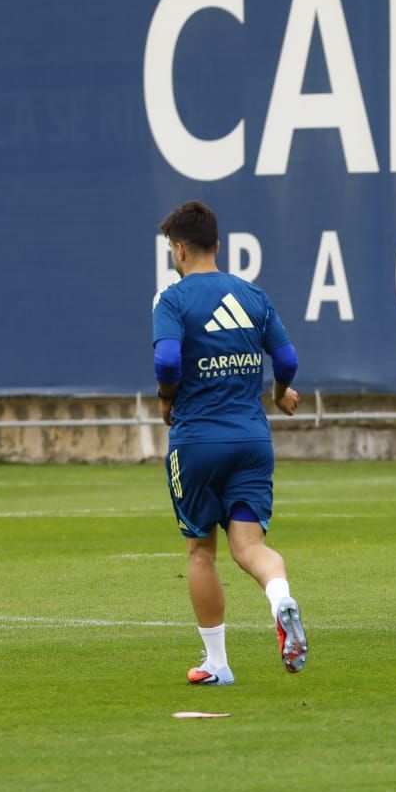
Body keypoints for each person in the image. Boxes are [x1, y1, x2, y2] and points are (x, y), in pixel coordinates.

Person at [153, 201, 307, 685]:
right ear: (217, 245)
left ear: (178, 249)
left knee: (201, 552)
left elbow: (168, 365)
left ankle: (218, 663)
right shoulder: (252, 295)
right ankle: (280, 597)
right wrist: (280, 394)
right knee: (250, 545)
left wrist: (165, 400)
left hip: (197, 440)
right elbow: (286, 358)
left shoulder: (173, 300)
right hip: (251, 437)